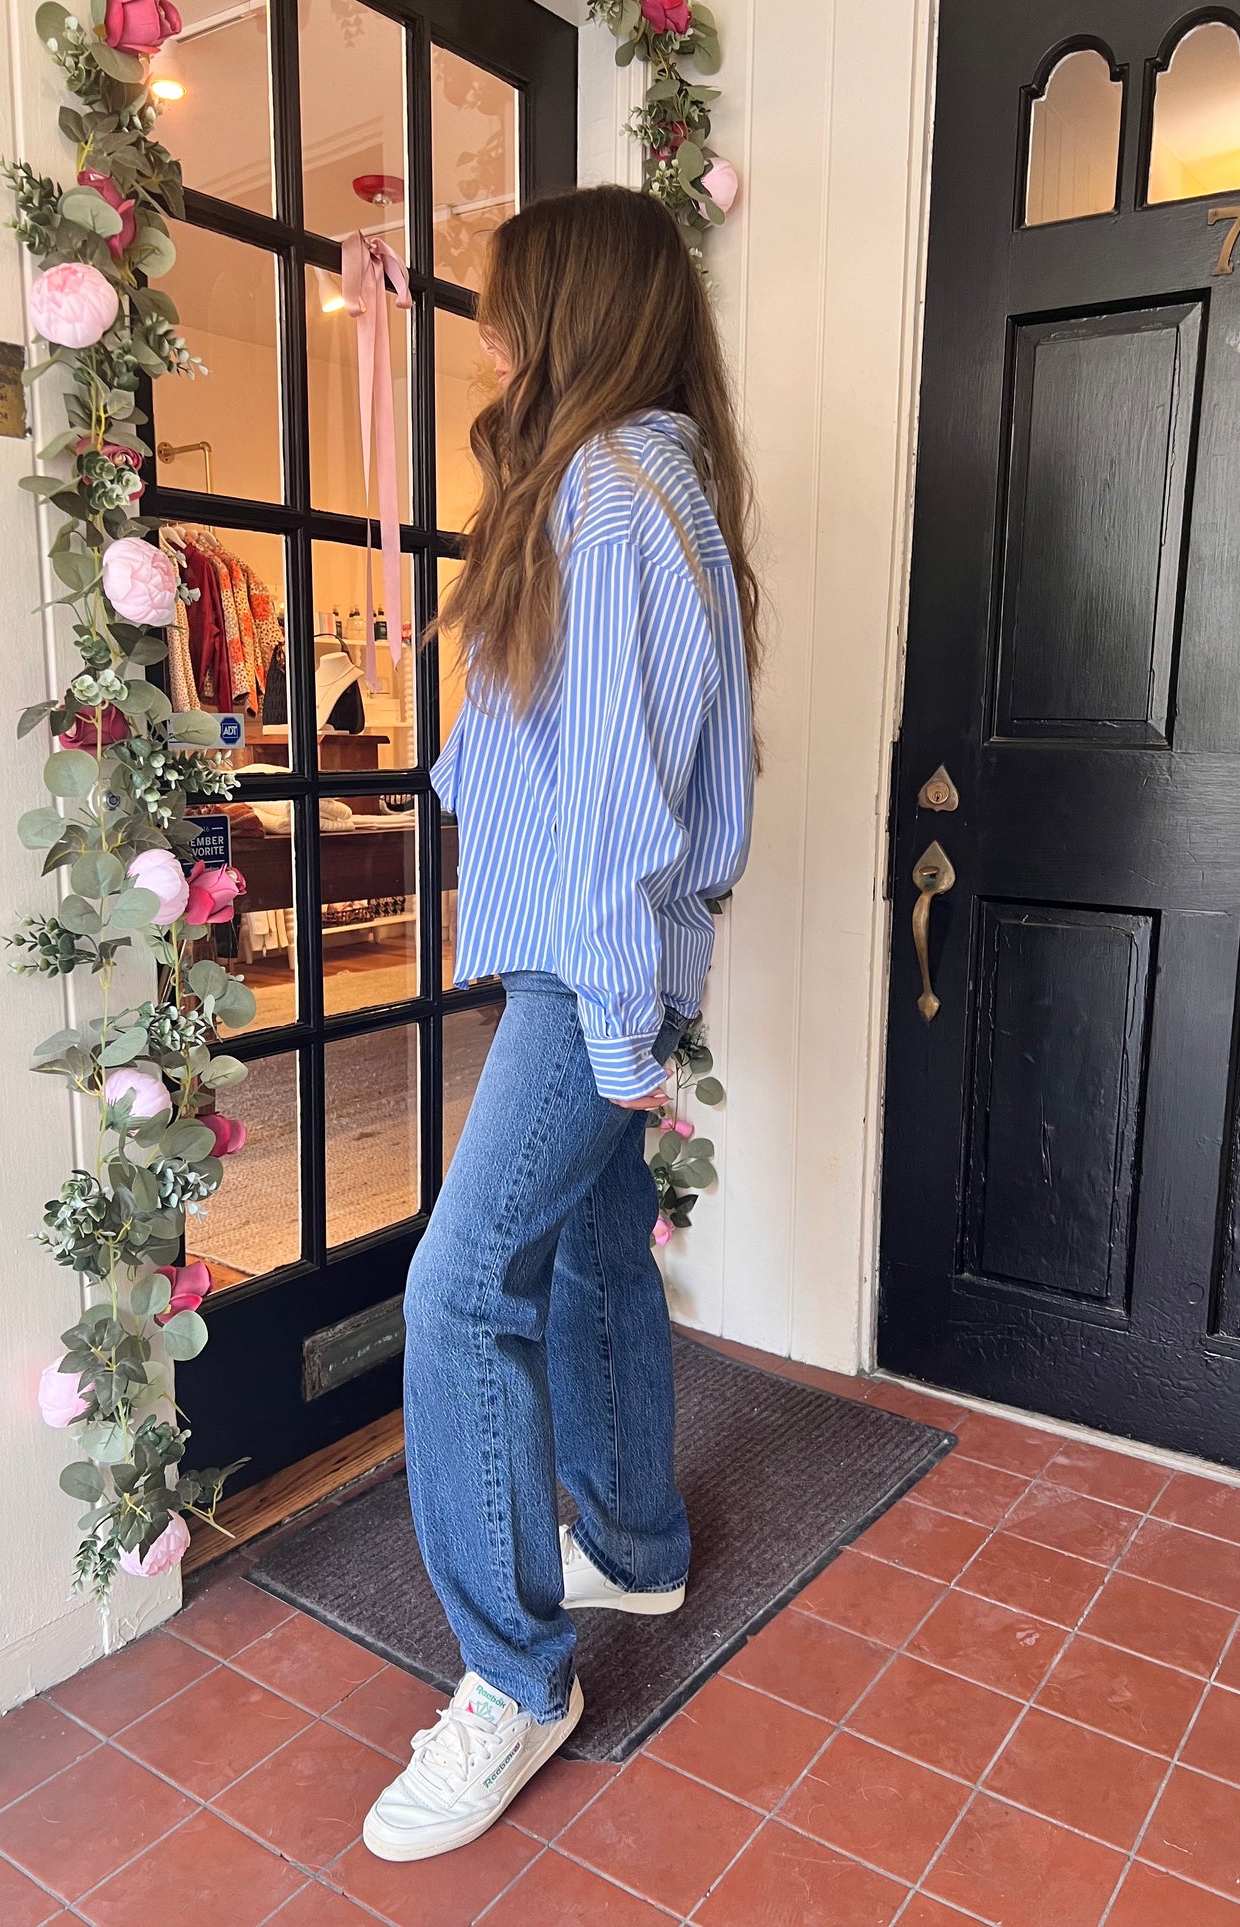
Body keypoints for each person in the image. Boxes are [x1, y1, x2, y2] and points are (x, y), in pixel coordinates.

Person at [362, 184, 759, 1863]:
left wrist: (607, 1025)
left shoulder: (606, 494)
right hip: (606, 961)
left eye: (504, 298)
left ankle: (517, 1679)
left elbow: (614, 819)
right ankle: (638, 1543)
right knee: (595, 1253)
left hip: (583, 965)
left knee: (457, 1293)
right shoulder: (644, 481)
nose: (483, 328)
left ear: (573, 313)